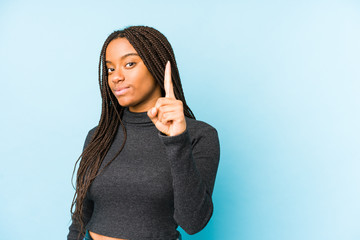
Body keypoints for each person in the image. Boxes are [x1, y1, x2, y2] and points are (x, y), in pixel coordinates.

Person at [67, 25, 220, 240]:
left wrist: (176, 141)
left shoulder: (198, 135)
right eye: (110, 69)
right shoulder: (99, 136)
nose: (115, 77)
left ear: (156, 64)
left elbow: (193, 222)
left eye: (129, 64)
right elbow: (81, 215)